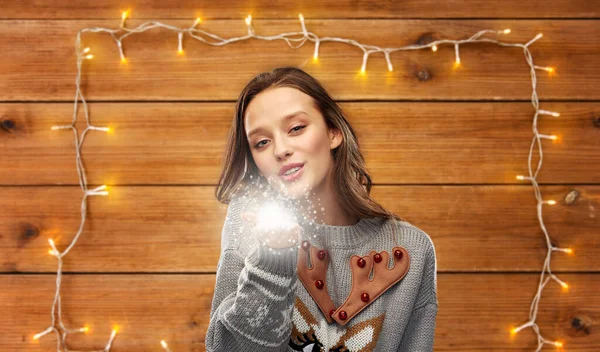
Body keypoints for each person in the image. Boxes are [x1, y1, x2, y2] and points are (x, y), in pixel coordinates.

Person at [206, 66, 438, 351]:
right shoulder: (248, 227)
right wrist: (272, 263)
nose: (280, 150)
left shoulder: (411, 248)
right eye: (262, 142)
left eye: (296, 128)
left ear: (333, 132)